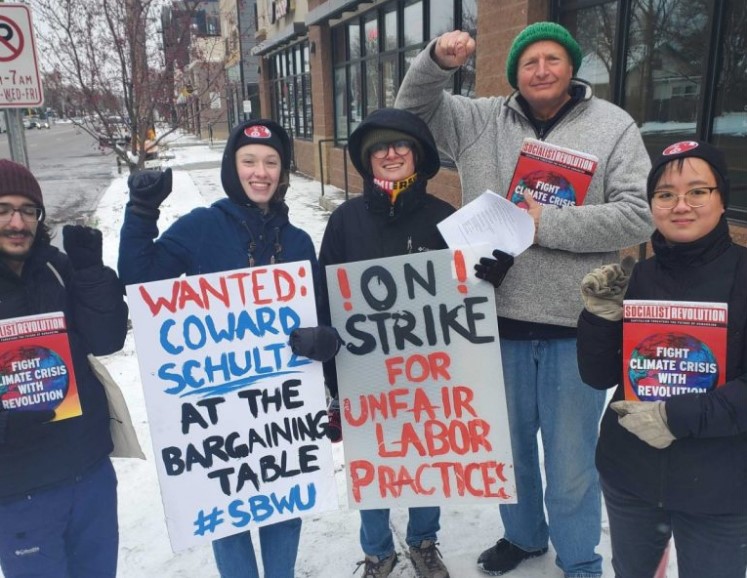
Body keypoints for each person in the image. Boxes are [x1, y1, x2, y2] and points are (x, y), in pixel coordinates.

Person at [395, 21, 654, 578]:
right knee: (508, 453)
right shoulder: (479, 118)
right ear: (515, 72)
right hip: (494, 323)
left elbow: (638, 212)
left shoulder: (613, 127)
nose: (541, 69)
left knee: (570, 463)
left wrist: (545, 223)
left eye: (553, 59)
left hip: (575, 325)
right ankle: (523, 536)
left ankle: (580, 557)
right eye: (530, 60)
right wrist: (438, 58)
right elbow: (411, 110)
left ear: (571, 68)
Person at [118, 119, 318, 578]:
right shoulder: (202, 227)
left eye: (271, 162)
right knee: (225, 506)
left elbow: (318, 318)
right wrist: (141, 212)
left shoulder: (299, 242)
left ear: (283, 171)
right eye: (249, 161)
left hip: (280, 412)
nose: (260, 172)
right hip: (214, 412)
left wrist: (322, 342)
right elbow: (139, 280)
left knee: (283, 502)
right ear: (233, 168)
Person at [312, 107, 470, 578]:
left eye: (401, 144)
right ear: (367, 159)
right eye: (380, 147)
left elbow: (468, 296)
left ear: (418, 155)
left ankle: (423, 541)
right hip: (364, 372)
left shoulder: (445, 218)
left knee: (427, 456)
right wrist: (331, 376)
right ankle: (378, 551)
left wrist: (488, 274)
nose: (391, 153)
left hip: (431, 369)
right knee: (374, 463)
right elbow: (325, 296)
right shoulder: (345, 221)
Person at [577, 141, 747, 578]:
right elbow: (598, 376)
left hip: (721, 488)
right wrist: (600, 318)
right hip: (630, 475)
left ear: (722, 198)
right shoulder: (638, 276)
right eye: (665, 194)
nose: (680, 205)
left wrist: (676, 416)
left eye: (697, 191)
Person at [0, 159, 129, 577]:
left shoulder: (58, 267)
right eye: (2, 209)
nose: (16, 222)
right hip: (20, 492)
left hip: (88, 472)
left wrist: (91, 272)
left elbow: (107, 338)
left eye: (27, 210)